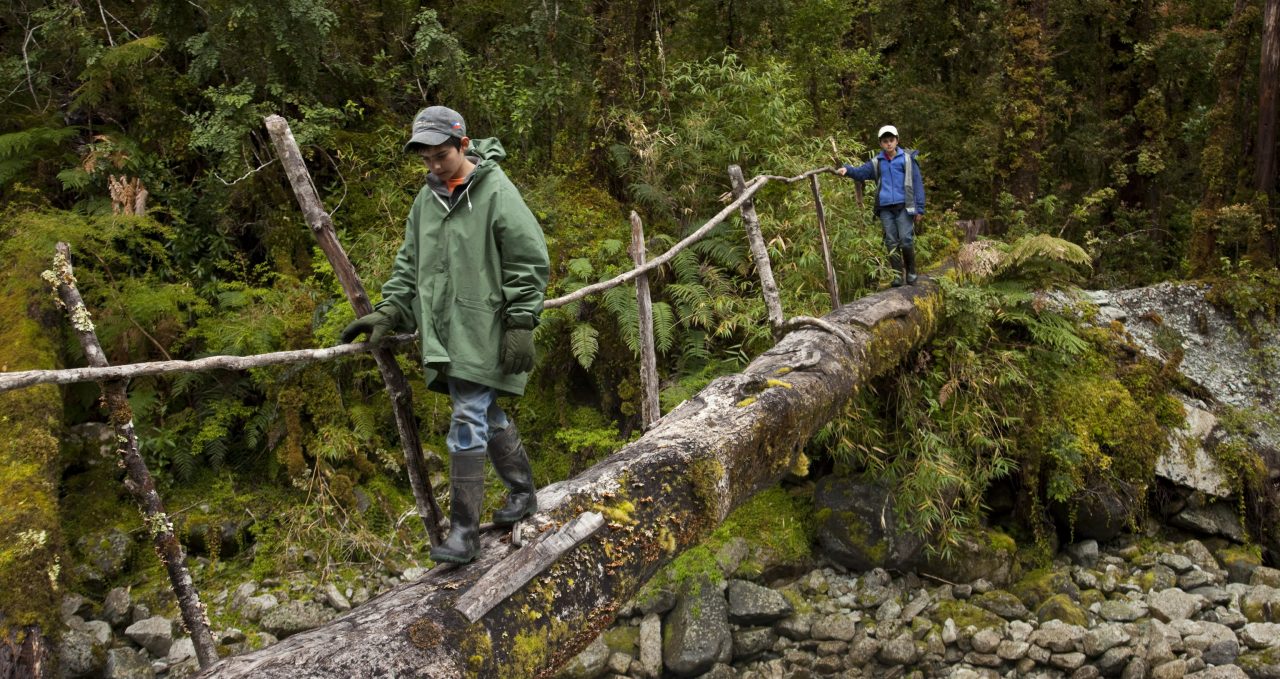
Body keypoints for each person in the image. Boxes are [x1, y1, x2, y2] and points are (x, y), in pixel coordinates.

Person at [340, 105, 550, 564]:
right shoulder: (427, 200)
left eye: (442, 156)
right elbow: (409, 264)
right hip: (445, 332)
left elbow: (528, 258)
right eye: (427, 159)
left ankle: (464, 534)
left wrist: (520, 321)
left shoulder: (496, 191)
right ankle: (522, 494)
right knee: (483, 413)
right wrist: (391, 311)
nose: (435, 166)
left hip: (484, 328)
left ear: (463, 145)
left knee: (466, 420)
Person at [836, 124, 926, 286]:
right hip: (885, 208)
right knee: (891, 241)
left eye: (891, 140)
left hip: (904, 206)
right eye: (885, 141)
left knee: (906, 239)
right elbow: (861, 172)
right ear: (881, 144)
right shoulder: (877, 162)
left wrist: (920, 208)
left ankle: (911, 271)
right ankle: (897, 275)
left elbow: (917, 183)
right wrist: (847, 170)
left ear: (897, 141)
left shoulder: (907, 159)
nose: (889, 144)